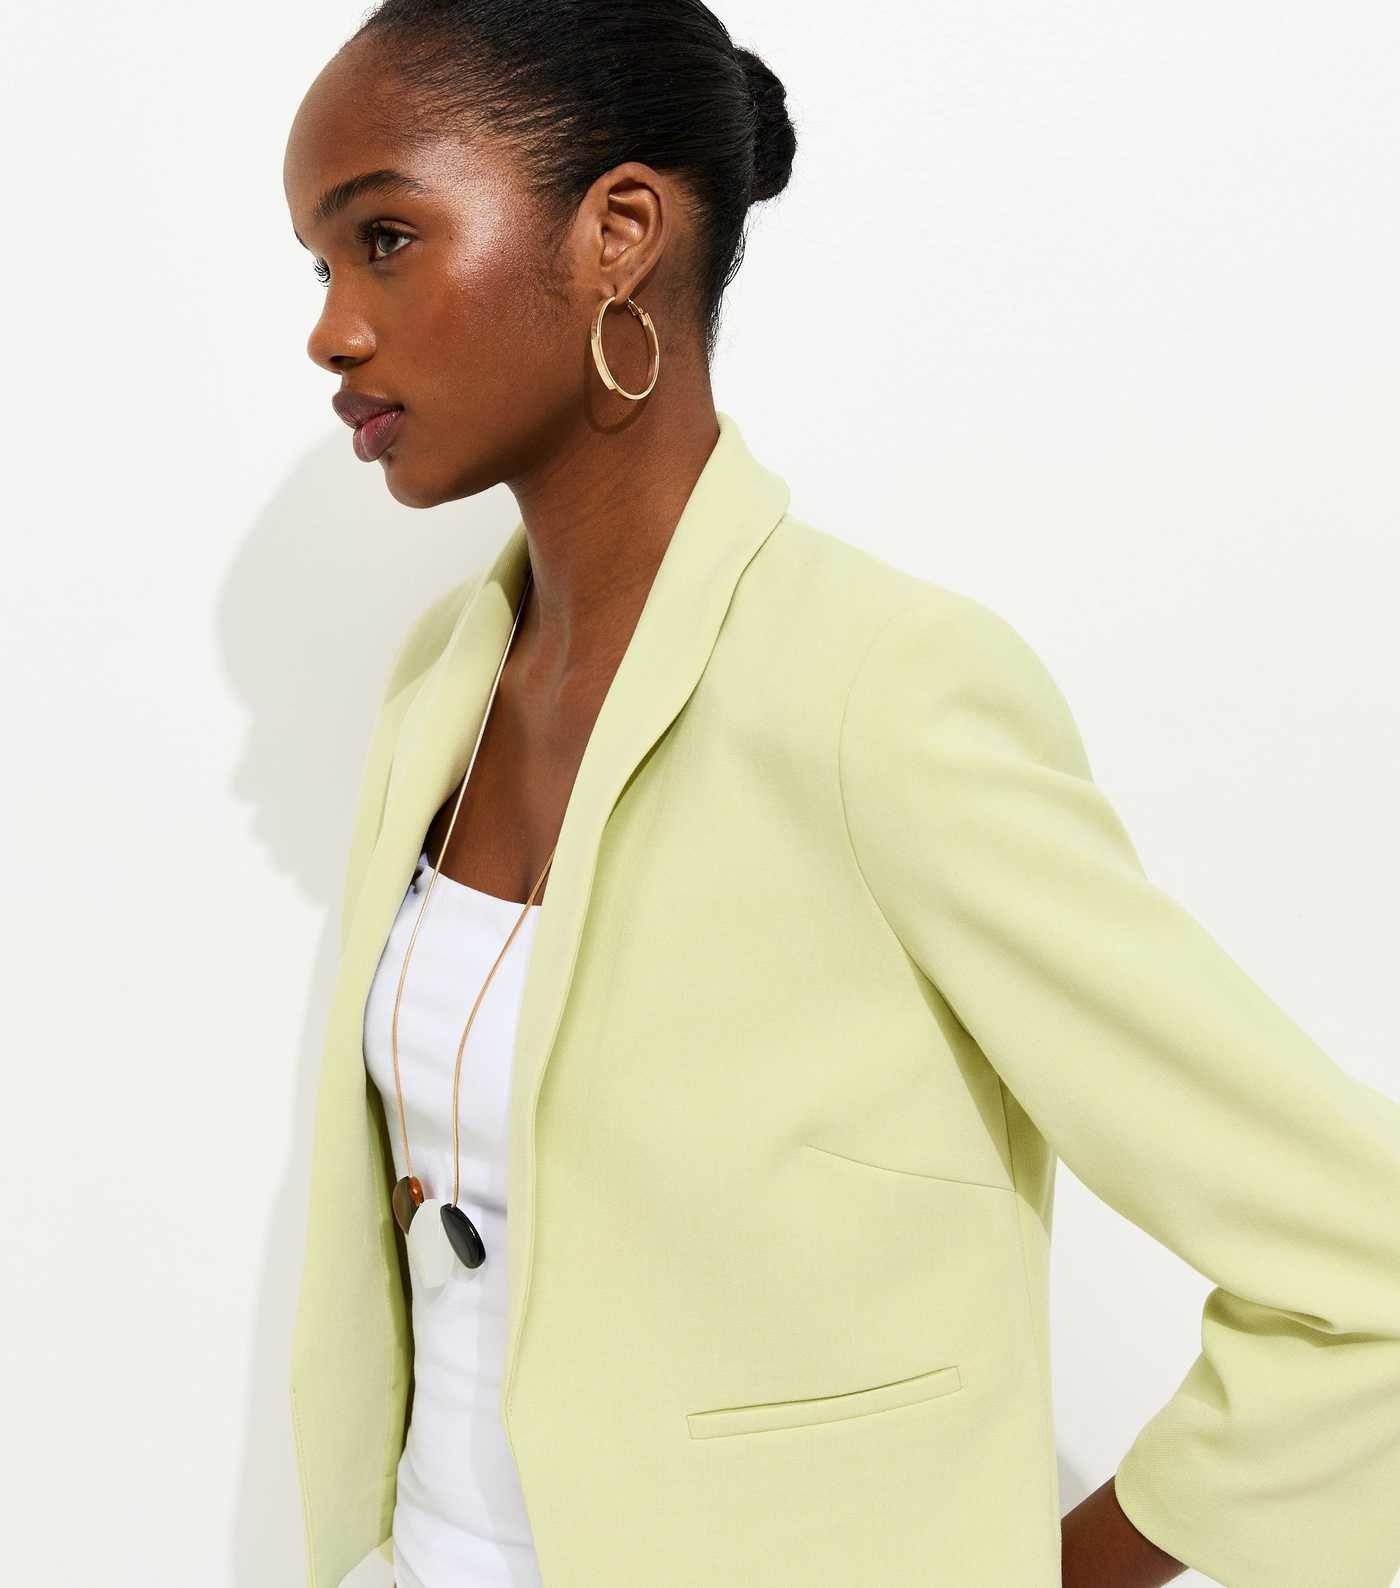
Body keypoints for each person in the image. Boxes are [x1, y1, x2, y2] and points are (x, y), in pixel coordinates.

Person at [283, 4, 1400, 1587]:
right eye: (318, 268)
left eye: (383, 240)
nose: (332, 330)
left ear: (618, 235)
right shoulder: (440, 685)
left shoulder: (881, 692)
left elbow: (1367, 1269)